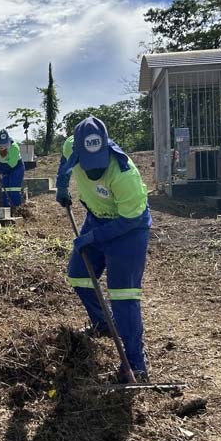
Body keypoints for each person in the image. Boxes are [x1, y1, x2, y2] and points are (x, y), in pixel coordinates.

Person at [55, 116, 151, 382]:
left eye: (98, 166)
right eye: (87, 166)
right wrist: (62, 185)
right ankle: (103, 324)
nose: (93, 172)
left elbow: (131, 218)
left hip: (129, 231)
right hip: (97, 217)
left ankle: (136, 364)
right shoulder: (71, 147)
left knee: (123, 296)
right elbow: (65, 161)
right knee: (78, 275)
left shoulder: (124, 173)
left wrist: (94, 237)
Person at [0, 129, 25, 207]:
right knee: (5, 189)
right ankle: (6, 208)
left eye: (5, 144)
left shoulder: (14, 148)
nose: (3, 147)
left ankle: (17, 208)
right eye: (1, 144)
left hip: (16, 168)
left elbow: (11, 165)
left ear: (8, 142)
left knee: (14, 189)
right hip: (5, 168)